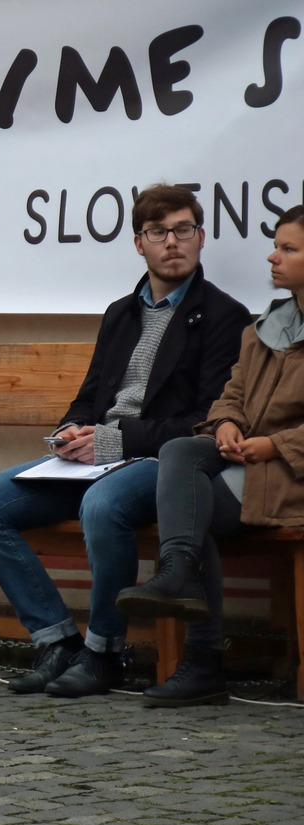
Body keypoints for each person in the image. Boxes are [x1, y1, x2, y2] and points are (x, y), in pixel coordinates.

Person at [0, 185, 250, 698]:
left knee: (102, 505)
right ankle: (56, 641)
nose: (172, 242)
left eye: (184, 229)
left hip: (159, 462)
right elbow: (90, 396)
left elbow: (205, 421)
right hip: (94, 457)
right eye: (158, 232)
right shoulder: (120, 313)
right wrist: (70, 430)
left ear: (202, 237)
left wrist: (115, 441)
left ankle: (104, 653)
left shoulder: (225, 316)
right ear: (139, 244)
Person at [117, 205, 304, 706]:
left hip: (290, 473)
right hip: (250, 462)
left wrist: (274, 445)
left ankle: (202, 662)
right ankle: (179, 573)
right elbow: (231, 394)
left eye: (288, 249)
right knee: (181, 450)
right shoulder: (266, 327)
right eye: (276, 246)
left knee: (190, 510)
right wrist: (225, 424)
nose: (273, 257)